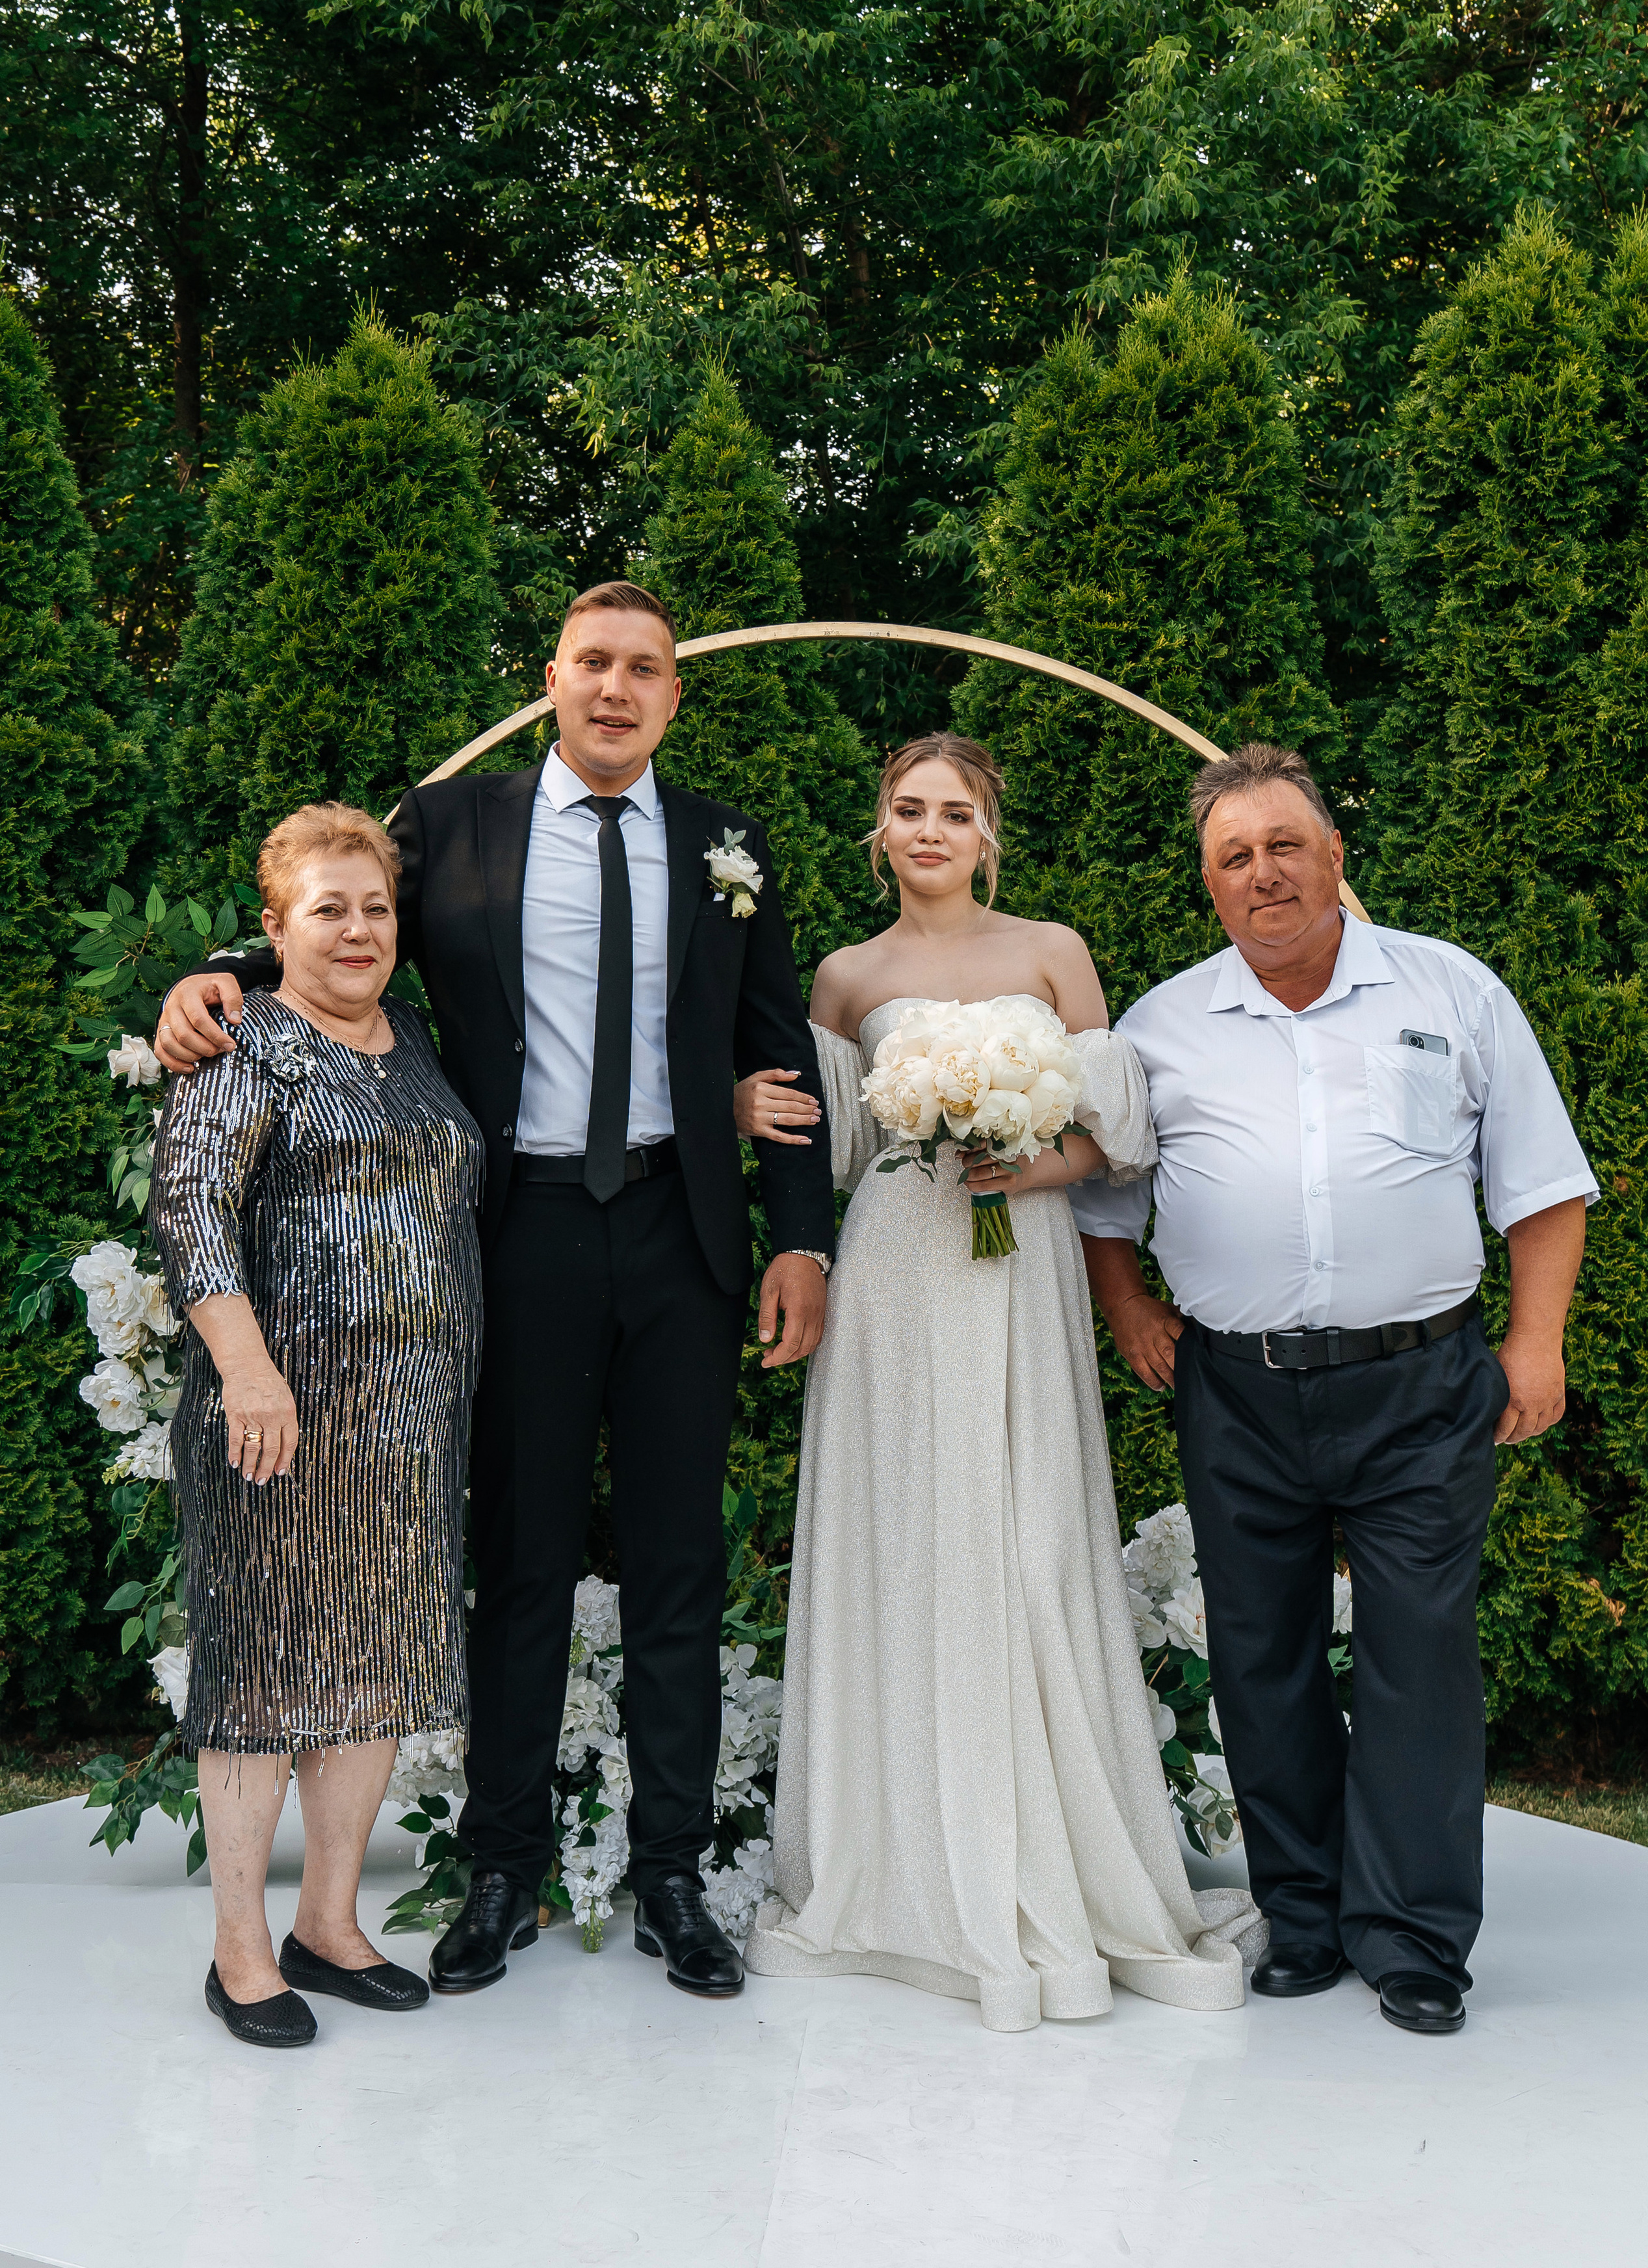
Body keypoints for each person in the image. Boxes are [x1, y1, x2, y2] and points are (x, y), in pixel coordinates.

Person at [155, 583, 835, 2003]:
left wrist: (797, 1241)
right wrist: (211, 976)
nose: (614, 688)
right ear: (551, 679)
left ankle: (670, 1877)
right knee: (518, 1561)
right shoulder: (451, 824)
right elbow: (333, 919)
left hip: (680, 1237)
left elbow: (777, 1057)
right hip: (510, 1232)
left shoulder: (728, 846)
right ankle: (500, 1870)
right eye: (592, 663)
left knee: (677, 1568)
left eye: (643, 669)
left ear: (670, 695)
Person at [735, 734, 1262, 2031]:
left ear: (986, 835)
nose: (928, 828)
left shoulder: (1050, 950)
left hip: (1015, 1260)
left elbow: (1114, 1126)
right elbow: (837, 1143)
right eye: (906, 808)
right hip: (902, 1272)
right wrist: (746, 1102)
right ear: (879, 831)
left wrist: (1032, 1160)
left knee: (1025, 1543)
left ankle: (1054, 1846)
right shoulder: (848, 974)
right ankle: (905, 1863)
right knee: (913, 1539)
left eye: (953, 811)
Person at [1072, 741, 1596, 2038]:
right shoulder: (1161, 1027)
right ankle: (1302, 1917)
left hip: (1419, 1383)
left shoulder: (1448, 991)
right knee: (1260, 1658)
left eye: (1282, 845)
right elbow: (1101, 1197)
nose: (1261, 873)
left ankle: (1412, 1935)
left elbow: (1539, 1184)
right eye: (1232, 858)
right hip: (1237, 1394)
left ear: (1332, 856)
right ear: (1209, 889)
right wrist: (1129, 1309)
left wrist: (1535, 1347)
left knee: (1419, 1658)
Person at [150, 802, 484, 2049]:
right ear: (274, 926)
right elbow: (194, 1215)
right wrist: (246, 1371)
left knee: (374, 1666)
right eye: (328, 908)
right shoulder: (240, 1048)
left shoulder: (421, 1044)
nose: (358, 930)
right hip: (276, 1421)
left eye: (377, 907)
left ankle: (330, 1926)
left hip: (410, 1424)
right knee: (261, 1674)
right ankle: (242, 1951)